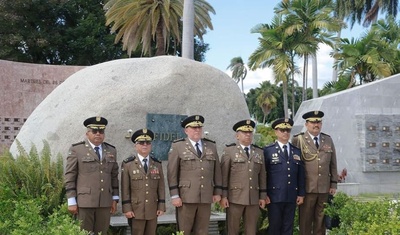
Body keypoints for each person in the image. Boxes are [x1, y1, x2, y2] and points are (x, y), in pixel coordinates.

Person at [167, 115, 222, 235]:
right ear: (186, 130)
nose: (197, 130)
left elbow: (217, 170)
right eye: (193, 128)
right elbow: (172, 173)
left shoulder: (211, 146)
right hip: (186, 197)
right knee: (184, 230)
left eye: (199, 127)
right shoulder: (178, 146)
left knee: (202, 230)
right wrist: (174, 195)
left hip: (206, 196)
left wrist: (217, 192)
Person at [64, 116, 119, 235]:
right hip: (85, 201)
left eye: (101, 131)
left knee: (102, 233)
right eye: (94, 131)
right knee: (84, 233)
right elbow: (70, 176)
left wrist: (115, 199)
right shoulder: (77, 150)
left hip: (105, 201)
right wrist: (71, 200)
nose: (98, 134)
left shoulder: (111, 150)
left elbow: (114, 176)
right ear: (87, 133)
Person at [291, 111, 338, 235]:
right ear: (306, 124)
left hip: (324, 188)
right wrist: (297, 188)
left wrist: (333, 184)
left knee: (321, 221)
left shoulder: (327, 139)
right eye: (313, 122)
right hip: (307, 189)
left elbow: (333, 163)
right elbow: (294, 166)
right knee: (305, 221)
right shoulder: (298, 139)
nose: (316, 125)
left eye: (318, 122)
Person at [220, 119, 267, 235]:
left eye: (250, 132)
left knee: (251, 230)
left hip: (253, 198)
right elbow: (224, 176)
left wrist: (262, 196)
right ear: (237, 135)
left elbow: (262, 176)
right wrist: (224, 196)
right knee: (233, 229)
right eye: (244, 132)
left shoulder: (259, 152)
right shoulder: (229, 151)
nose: (248, 135)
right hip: (234, 198)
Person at [264, 118, 305, 235]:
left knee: (288, 227)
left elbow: (300, 174)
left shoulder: (296, 151)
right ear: (276, 132)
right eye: (282, 130)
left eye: (287, 130)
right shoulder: (268, 151)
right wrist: (264, 194)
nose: (285, 133)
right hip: (274, 196)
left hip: (291, 195)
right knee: (275, 227)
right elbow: (264, 175)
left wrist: (301, 193)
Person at [121, 128, 166, 235]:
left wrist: (161, 206)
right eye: (141, 143)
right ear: (135, 146)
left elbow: (161, 187)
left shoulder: (157, 163)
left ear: (151, 145)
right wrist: (127, 208)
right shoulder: (128, 164)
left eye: (148, 143)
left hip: (152, 208)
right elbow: (125, 188)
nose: (145, 145)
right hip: (136, 210)